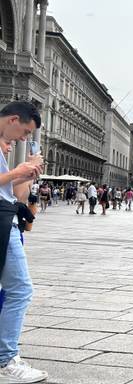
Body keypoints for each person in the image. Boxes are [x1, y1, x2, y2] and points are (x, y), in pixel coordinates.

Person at [0, 101, 48, 383]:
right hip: (1, 220)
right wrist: (19, 171)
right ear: (13, 119)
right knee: (20, 290)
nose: (24, 139)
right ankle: (6, 359)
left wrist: (26, 176)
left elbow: (16, 196)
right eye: (25, 131)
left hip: (7, 217)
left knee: (17, 290)